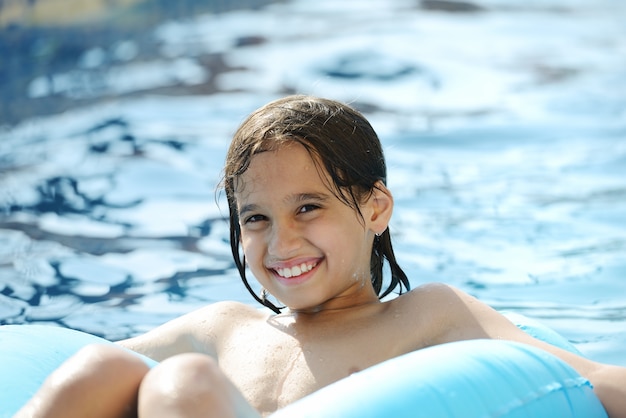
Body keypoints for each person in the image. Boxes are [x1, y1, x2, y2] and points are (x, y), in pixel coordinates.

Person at [17, 95, 626, 418]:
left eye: (308, 208)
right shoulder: (221, 328)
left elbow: (588, 380)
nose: (281, 244)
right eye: (255, 219)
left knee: (183, 381)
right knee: (103, 370)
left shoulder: (426, 317)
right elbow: (70, 369)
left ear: (374, 209)